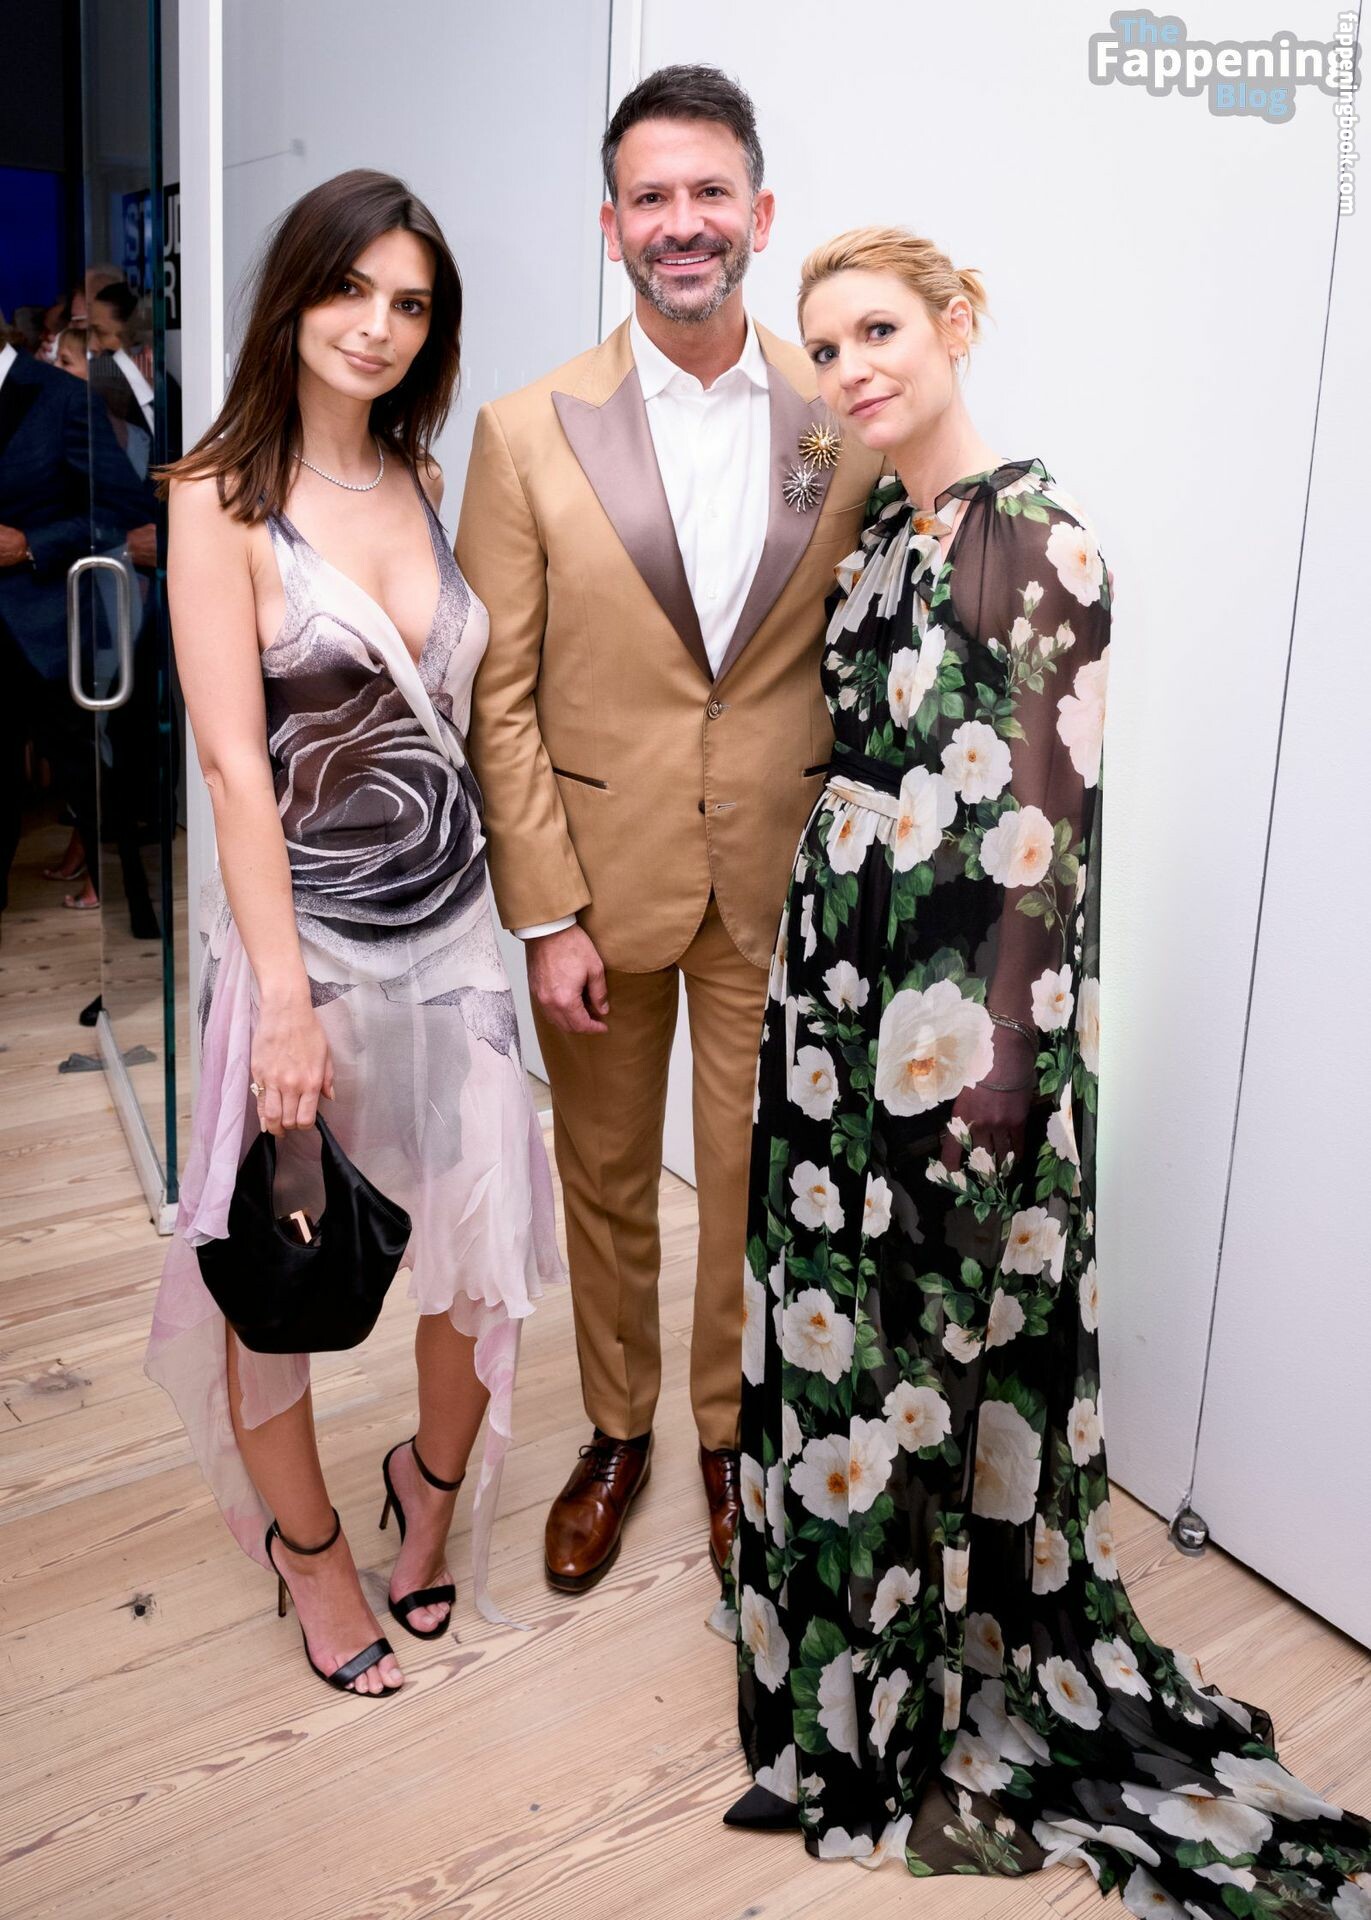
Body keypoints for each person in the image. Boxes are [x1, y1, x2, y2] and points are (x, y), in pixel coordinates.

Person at [724, 226, 1371, 1912]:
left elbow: (1044, 821)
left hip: (953, 1024)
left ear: (957, 324)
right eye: (825, 347)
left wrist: (1001, 1062)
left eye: (879, 330)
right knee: (834, 1333)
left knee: (921, 1354)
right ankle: (831, 1684)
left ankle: (905, 1710)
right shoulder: (883, 531)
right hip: (834, 996)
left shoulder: (1040, 541)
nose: (850, 369)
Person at [458, 67, 881, 1595]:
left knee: (756, 1184)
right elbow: (496, 695)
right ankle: (616, 1432)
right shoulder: (523, 432)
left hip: (773, 882)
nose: (680, 221)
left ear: (758, 216)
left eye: (708, 192)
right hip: (593, 893)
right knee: (606, 1181)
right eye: (651, 196)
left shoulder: (839, 422)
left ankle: (723, 1437)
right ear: (611, 225)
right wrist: (541, 911)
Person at [144, 169, 561, 1697]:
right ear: (294, 294)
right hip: (302, 954)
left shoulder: (422, 477)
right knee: (284, 1256)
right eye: (349, 289)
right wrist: (282, 1002)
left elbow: (465, 711)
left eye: (409, 304)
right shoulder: (218, 498)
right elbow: (232, 769)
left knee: (477, 1252)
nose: (376, 326)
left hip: (456, 946)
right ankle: (309, 1553)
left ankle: (425, 1499)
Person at [0, 326, 154, 933]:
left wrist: (30, 545)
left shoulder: (60, 396)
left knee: (82, 770)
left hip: (45, 626)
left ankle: (135, 907)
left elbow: (119, 508)